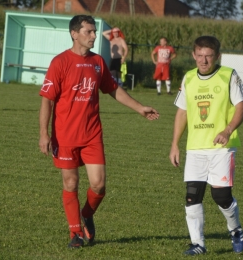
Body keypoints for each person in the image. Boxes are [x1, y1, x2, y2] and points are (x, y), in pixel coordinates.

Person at [39, 15, 159, 249]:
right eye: (89, 32)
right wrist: (43, 133)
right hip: (64, 136)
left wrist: (139, 108)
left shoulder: (97, 62)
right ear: (75, 34)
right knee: (71, 183)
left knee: (99, 185)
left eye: (94, 31)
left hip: (92, 135)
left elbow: (113, 89)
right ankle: (75, 233)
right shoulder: (60, 62)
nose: (94, 36)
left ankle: (86, 213)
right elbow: (47, 101)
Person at [169, 36, 243, 256]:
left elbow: (242, 107)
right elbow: (182, 112)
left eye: (209, 56)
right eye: (200, 55)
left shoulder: (228, 76)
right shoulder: (188, 78)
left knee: (221, 197)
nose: (204, 60)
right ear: (194, 55)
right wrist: (175, 144)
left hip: (222, 148)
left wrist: (227, 129)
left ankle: (235, 230)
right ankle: (198, 243)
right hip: (195, 148)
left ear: (217, 56)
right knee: (192, 196)